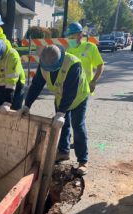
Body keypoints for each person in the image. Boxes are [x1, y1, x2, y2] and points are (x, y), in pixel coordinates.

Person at [20, 45, 90, 175]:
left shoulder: (73, 64)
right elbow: (36, 85)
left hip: (78, 98)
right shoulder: (45, 63)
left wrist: (61, 113)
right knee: (62, 126)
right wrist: (27, 105)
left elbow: (71, 92)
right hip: (60, 97)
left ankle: (83, 161)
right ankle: (63, 152)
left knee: (78, 126)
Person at [66, 22, 104, 95]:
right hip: (70, 88)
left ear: (80, 35)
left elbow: (100, 65)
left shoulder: (90, 47)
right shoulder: (68, 49)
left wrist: (93, 81)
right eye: (69, 37)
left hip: (84, 89)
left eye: (73, 37)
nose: (70, 40)